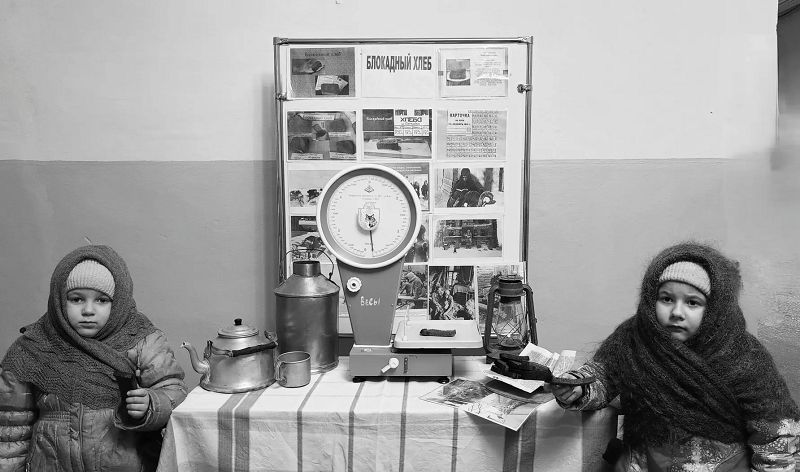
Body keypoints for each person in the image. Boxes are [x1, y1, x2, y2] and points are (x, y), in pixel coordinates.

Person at [552, 242, 800, 471]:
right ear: (651, 299)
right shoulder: (634, 337)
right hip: (642, 462)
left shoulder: (743, 355)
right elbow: (603, 376)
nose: (677, 312)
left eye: (692, 302)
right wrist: (579, 388)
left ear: (715, 308)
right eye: (667, 299)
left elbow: (776, 430)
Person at [0, 245, 188, 471]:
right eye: (76, 299)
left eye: (102, 300)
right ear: (59, 299)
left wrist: (151, 404)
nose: (88, 310)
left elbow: (174, 391)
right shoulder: (33, 348)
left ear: (118, 302)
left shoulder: (141, 340)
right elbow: (11, 427)